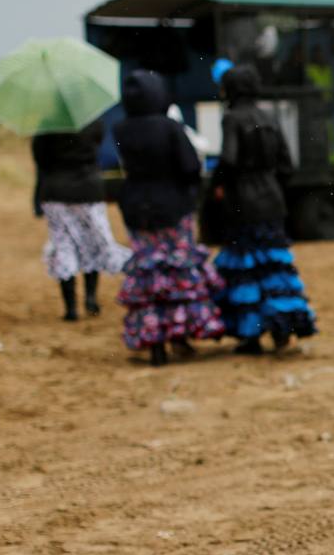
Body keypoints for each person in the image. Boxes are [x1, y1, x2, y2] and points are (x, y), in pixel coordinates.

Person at [112, 70, 224, 366]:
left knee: (149, 273)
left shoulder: (121, 129)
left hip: (136, 207)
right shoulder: (170, 127)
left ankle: (155, 343)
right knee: (176, 272)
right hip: (172, 206)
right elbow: (189, 166)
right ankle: (178, 335)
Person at [208, 65, 317, 354]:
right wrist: (270, 183)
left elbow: (229, 159)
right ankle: (284, 330)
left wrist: (217, 185)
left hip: (242, 203)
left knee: (246, 269)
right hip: (272, 201)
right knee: (274, 267)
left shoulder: (231, 118)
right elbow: (287, 165)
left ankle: (251, 336)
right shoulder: (269, 116)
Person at [32, 120, 130, 320]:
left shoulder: (47, 125)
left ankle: (70, 308)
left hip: (56, 190)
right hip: (89, 188)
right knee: (91, 242)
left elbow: (40, 158)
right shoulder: (92, 121)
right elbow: (98, 145)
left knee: (63, 245)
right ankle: (91, 298)